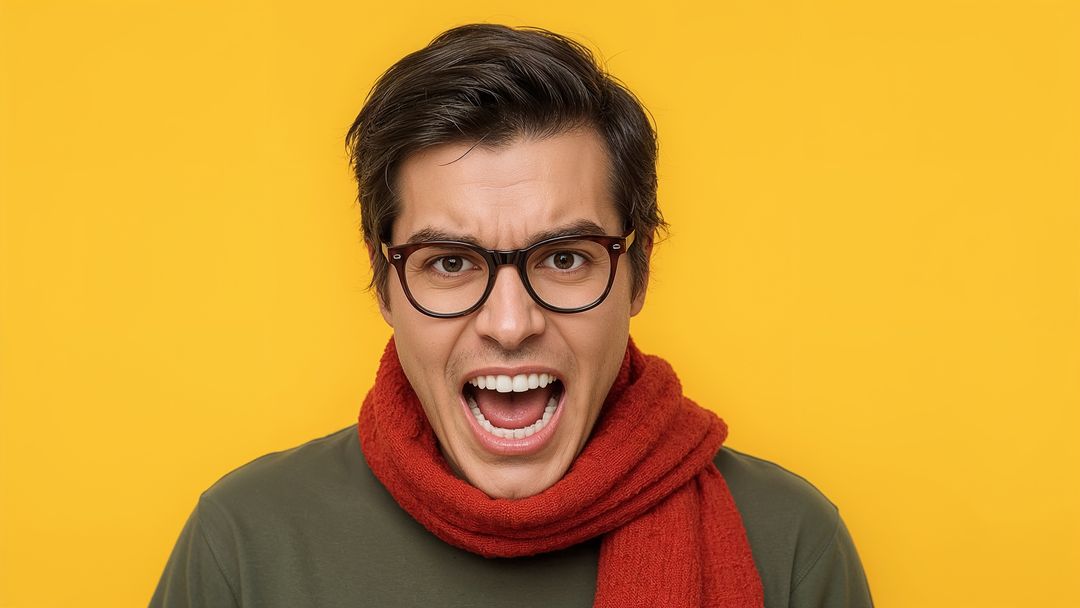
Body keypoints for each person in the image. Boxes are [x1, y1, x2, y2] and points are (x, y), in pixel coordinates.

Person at [150, 24, 873, 608]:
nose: (508, 322)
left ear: (638, 271)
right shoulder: (247, 541)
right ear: (384, 280)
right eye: (451, 263)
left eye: (563, 258)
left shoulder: (787, 540)